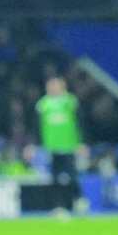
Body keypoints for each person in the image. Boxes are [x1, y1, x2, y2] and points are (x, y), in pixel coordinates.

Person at [36, 77, 82, 218]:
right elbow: (37, 126)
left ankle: (79, 200)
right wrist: (37, 145)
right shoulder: (43, 105)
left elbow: (80, 122)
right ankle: (59, 207)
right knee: (55, 179)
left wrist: (81, 142)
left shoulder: (70, 102)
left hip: (69, 146)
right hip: (51, 148)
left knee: (72, 175)